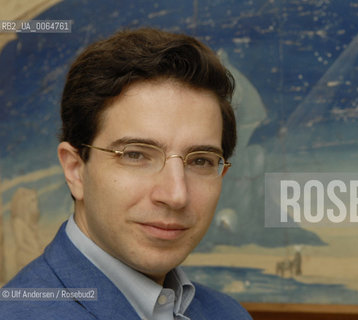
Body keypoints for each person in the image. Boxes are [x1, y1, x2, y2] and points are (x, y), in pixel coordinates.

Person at [1, 27, 252, 320]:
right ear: (75, 170)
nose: (176, 195)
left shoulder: (228, 314)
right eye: (135, 155)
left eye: (200, 161)